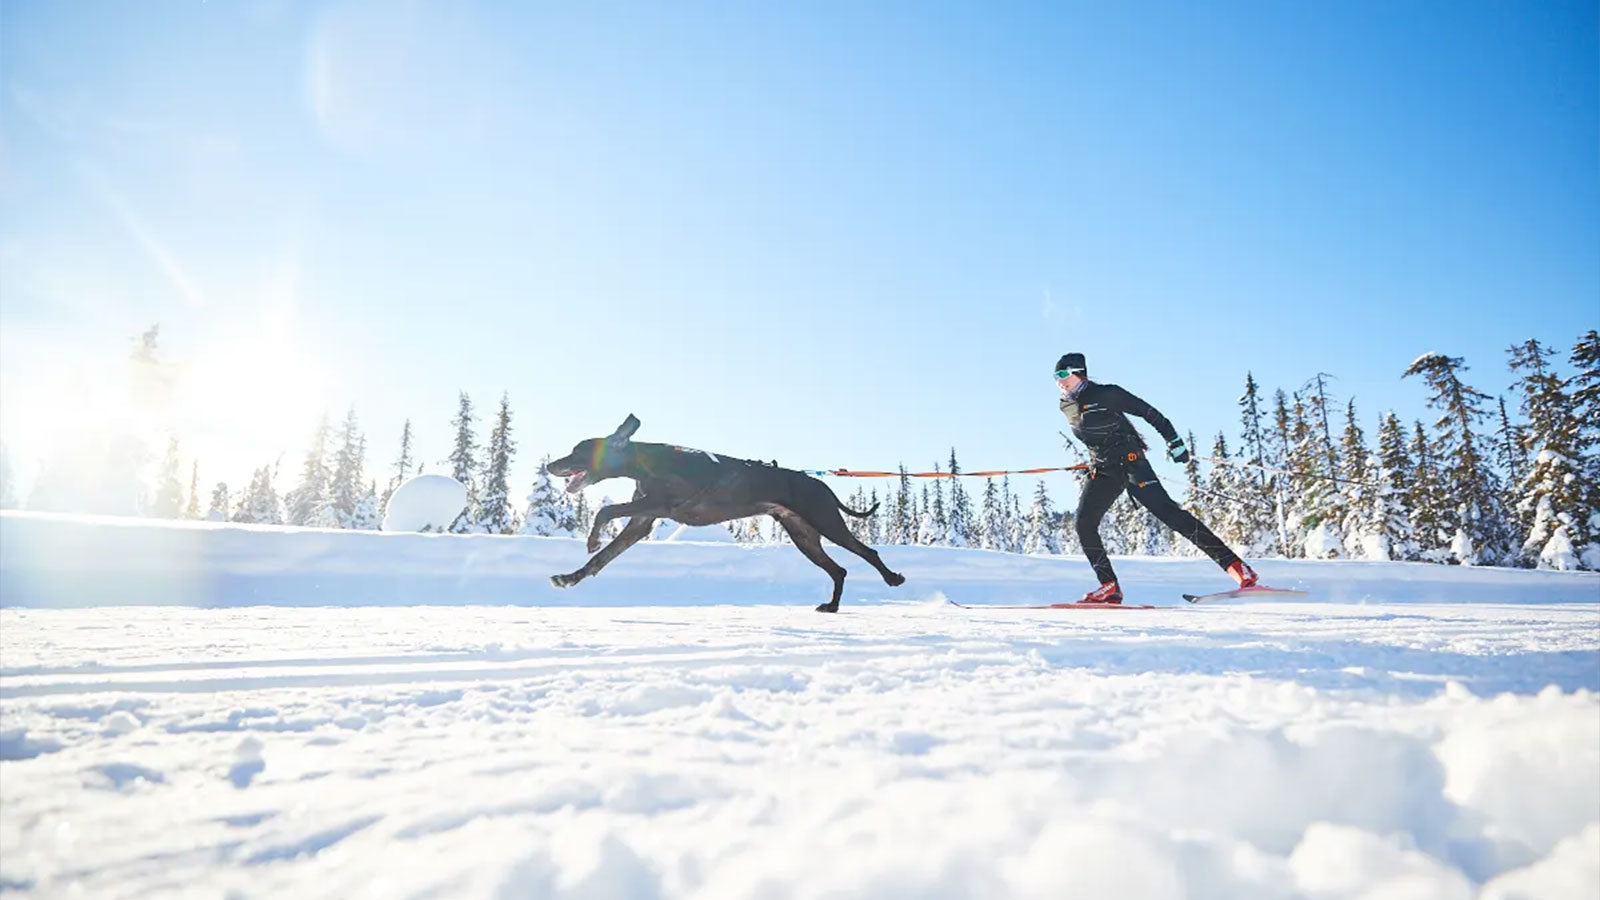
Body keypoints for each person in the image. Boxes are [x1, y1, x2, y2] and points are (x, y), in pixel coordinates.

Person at [1054, 352, 1257, 604]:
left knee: (1172, 515)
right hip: (1105, 470)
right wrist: (1093, 461)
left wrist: (1174, 441)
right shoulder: (1066, 406)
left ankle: (1238, 568)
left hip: (1130, 464)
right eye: (1055, 377)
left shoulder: (1107, 393)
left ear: (1079, 372)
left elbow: (1150, 413)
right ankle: (1109, 586)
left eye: (1063, 374)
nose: (1058, 381)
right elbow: (1095, 437)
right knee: (1084, 523)